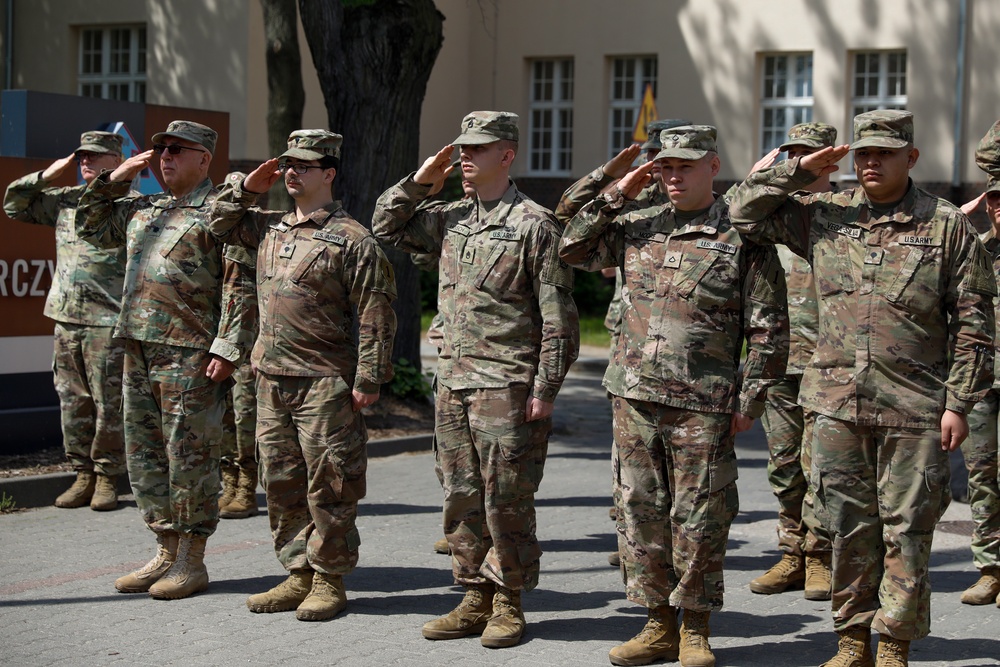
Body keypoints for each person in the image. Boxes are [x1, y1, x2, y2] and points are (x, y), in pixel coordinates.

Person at [729, 109, 996, 667]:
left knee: (908, 531)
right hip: (835, 406)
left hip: (916, 409)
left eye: (885, 153)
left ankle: (894, 644)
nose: (871, 162)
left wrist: (959, 403)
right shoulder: (825, 214)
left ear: (910, 158)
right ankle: (851, 640)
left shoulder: (945, 225)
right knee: (847, 527)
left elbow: (974, 322)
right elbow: (743, 214)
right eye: (863, 154)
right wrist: (798, 170)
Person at [560, 125, 789, 667]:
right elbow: (571, 242)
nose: (673, 176)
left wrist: (750, 397)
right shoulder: (635, 226)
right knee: (638, 512)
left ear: (713, 165)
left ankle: (697, 628)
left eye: (684, 166)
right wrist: (620, 187)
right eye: (665, 167)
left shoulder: (742, 236)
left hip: (704, 403)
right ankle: (657, 622)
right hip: (634, 398)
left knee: (702, 517)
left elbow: (769, 327)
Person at [373, 111, 579, 648]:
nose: (464, 157)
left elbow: (559, 319)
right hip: (454, 382)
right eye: (461, 148)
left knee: (506, 499)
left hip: (507, 386)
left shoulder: (534, 225)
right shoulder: (452, 218)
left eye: (476, 149)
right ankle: (472, 596)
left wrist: (545, 389)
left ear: (506, 156)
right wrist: (422, 180)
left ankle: (508, 601)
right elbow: (385, 226)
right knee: (460, 496)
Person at [209, 129, 397, 621]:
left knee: (330, 484)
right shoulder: (268, 229)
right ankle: (297, 573)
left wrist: (368, 378)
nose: (292, 172)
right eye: (287, 164)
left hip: (323, 381)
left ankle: (329, 579)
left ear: (329, 174)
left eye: (305, 165)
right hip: (270, 379)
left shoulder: (352, 238)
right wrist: (248, 188)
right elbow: (219, 223)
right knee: (281, 481)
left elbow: (376, 311)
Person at [76, 120, 245, 600]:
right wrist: (116, 178)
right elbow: (89, 224)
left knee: (189, 457)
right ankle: (165, 549)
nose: (165, 156)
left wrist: (229, 347)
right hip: (137, 347)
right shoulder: (144, 209)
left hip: (190, 352)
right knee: (146, 455)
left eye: (177, 149)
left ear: (203, 160)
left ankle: (193, 560)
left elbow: (239, 283)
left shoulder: (221, 212)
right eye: (160, 149)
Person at [554, 118, 691, 570]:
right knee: (630, 458)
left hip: (686, 354)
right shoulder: (633, 200)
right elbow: (566, 220)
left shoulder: (698, 205)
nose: (661, 169)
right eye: (655, 158)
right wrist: (610, 177)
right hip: (633, 344)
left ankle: (673, 546)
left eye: (671, 159)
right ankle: (632, 534)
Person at [3, 131, 126, 511]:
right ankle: (82, 474)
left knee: (108, 403)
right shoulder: (65, 200)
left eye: (95, 156)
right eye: (82, 156)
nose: (85, 161)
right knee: (72, 401)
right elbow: (14, 206)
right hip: (66, 317)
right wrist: (45, 176)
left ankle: (107, 476)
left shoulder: (133, 205)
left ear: (116, 160)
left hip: (107, 318)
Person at [750, 123, 836, 601]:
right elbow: (732, 218)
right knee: (785, 466)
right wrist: (760, 178)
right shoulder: (771, 217)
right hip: (779, 363)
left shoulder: (841, 214)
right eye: (793, 154)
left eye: (810, 155)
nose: (802, 162)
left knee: (820, 467)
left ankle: (821, 556)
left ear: (830, 161)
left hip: (828, 366)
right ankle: (792, 554)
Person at [953, 120, 1000, 608]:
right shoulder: (976, 251)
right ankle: (990, 569)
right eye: (995, 199)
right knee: (982, 477)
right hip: (982, 384)